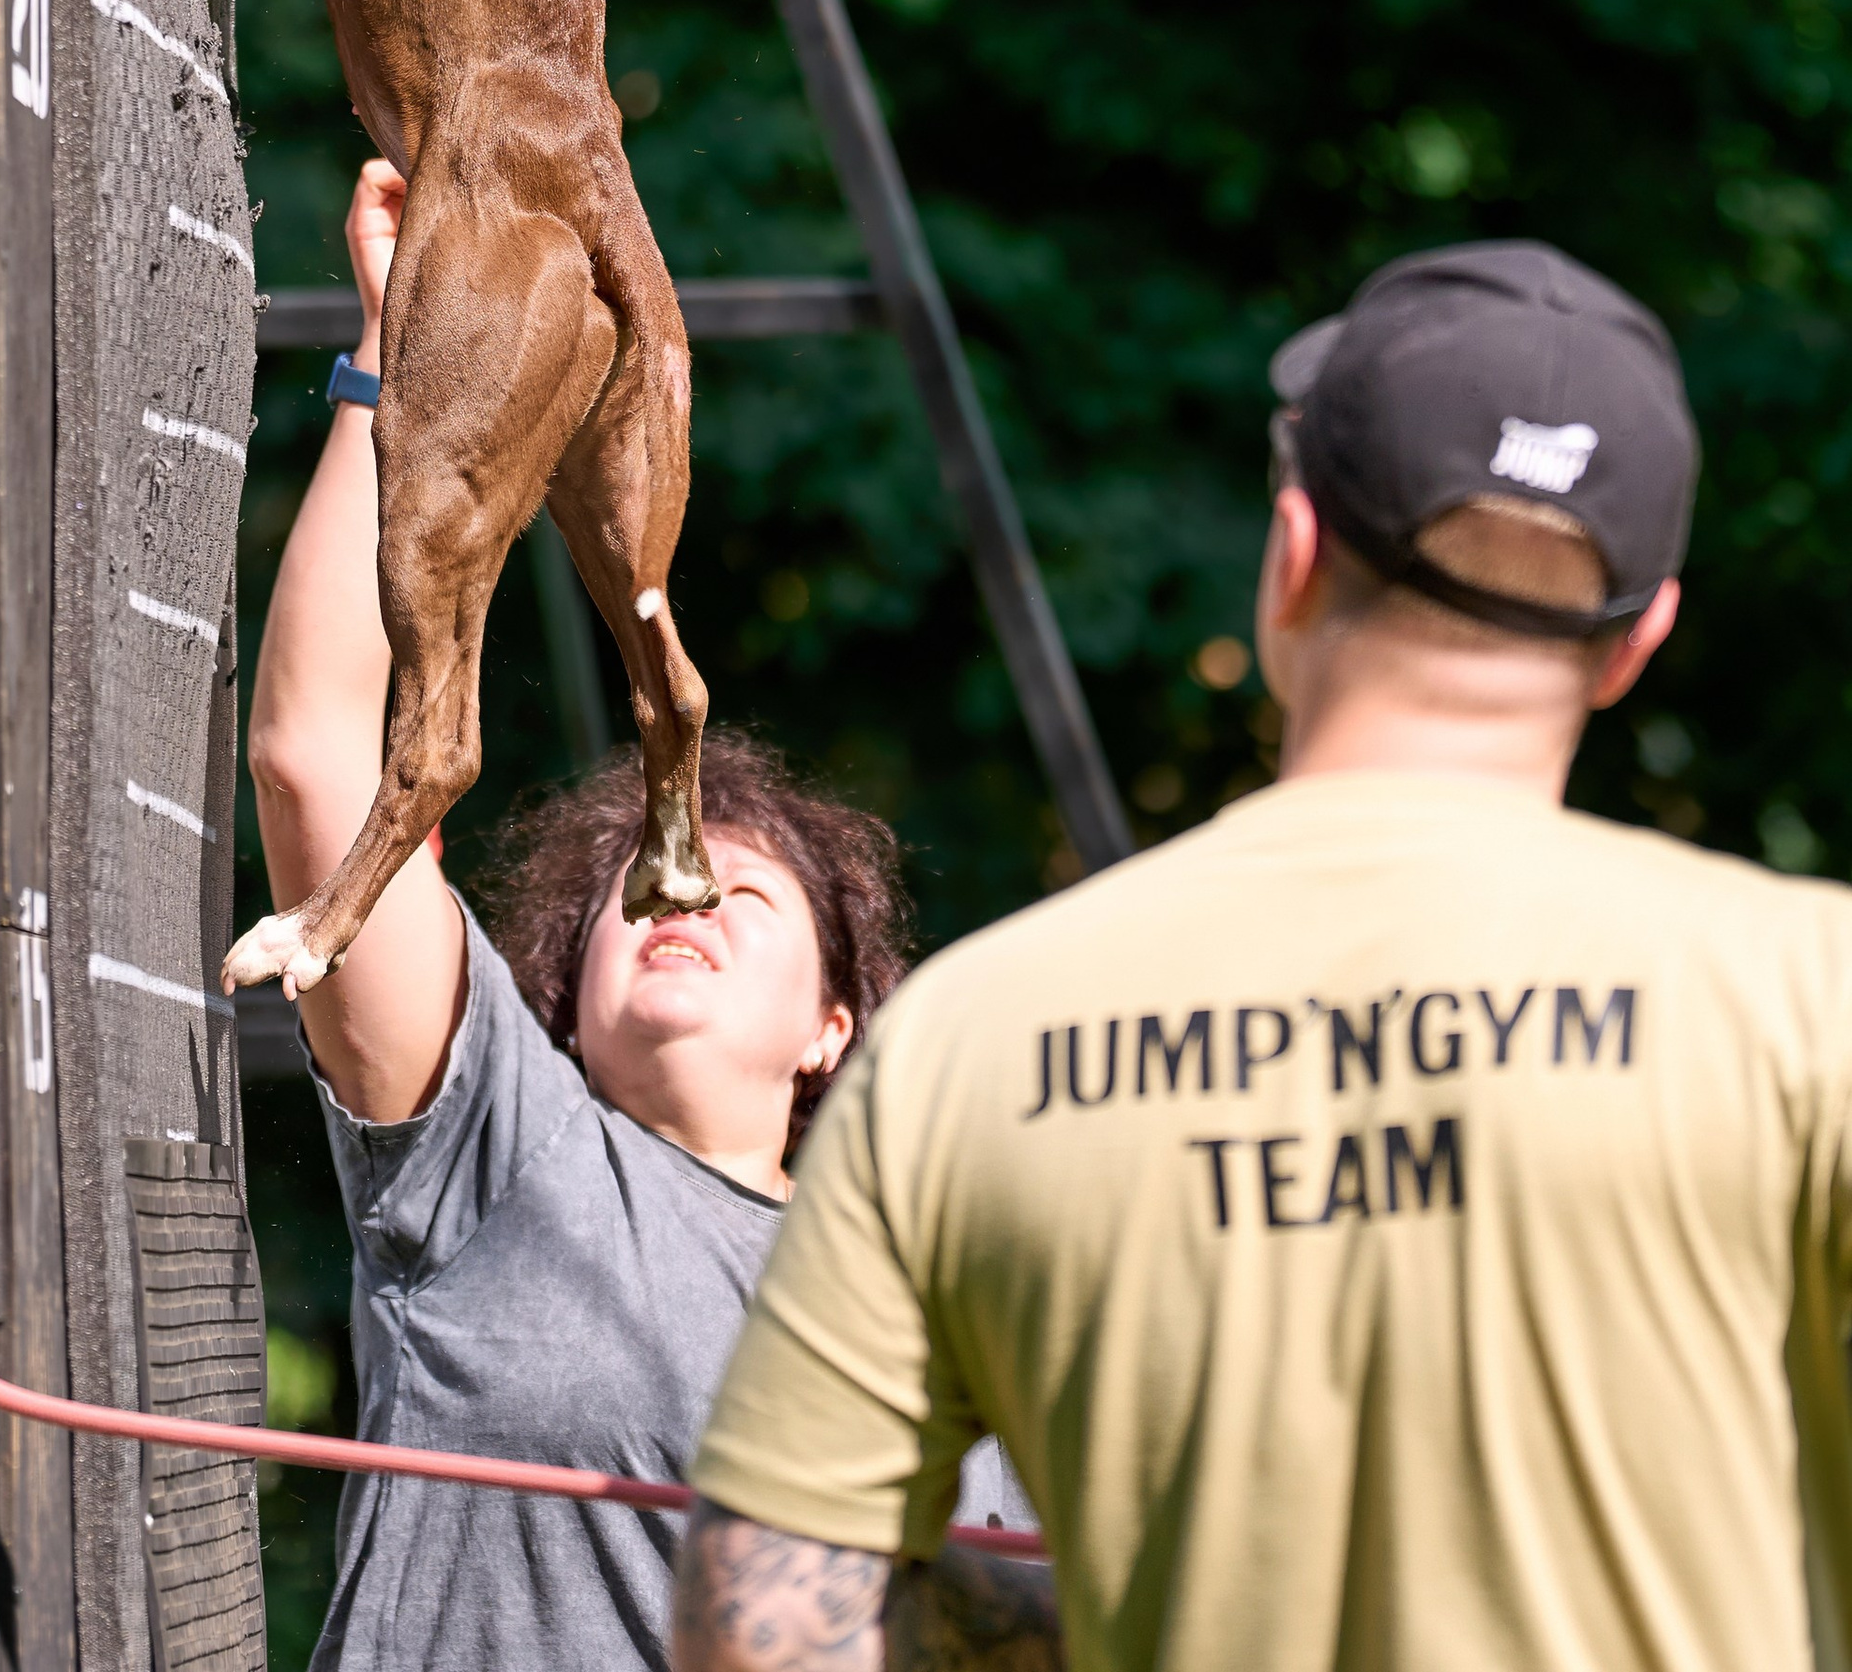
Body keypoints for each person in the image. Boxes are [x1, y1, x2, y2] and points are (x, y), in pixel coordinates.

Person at [671, 236, 1852, 1672]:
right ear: (1636, 640)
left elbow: (764, 1625)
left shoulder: (977, 1036)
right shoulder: (1808, 996)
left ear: (1293, 552)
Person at [246, 157, 1030, 1672]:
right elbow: (315, 752)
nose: (678, 886)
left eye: (738, 881)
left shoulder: (952, 1326)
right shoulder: (502, 1143)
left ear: (833, 1023)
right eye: (636, 888)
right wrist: (404, 352)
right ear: (565, 1002)